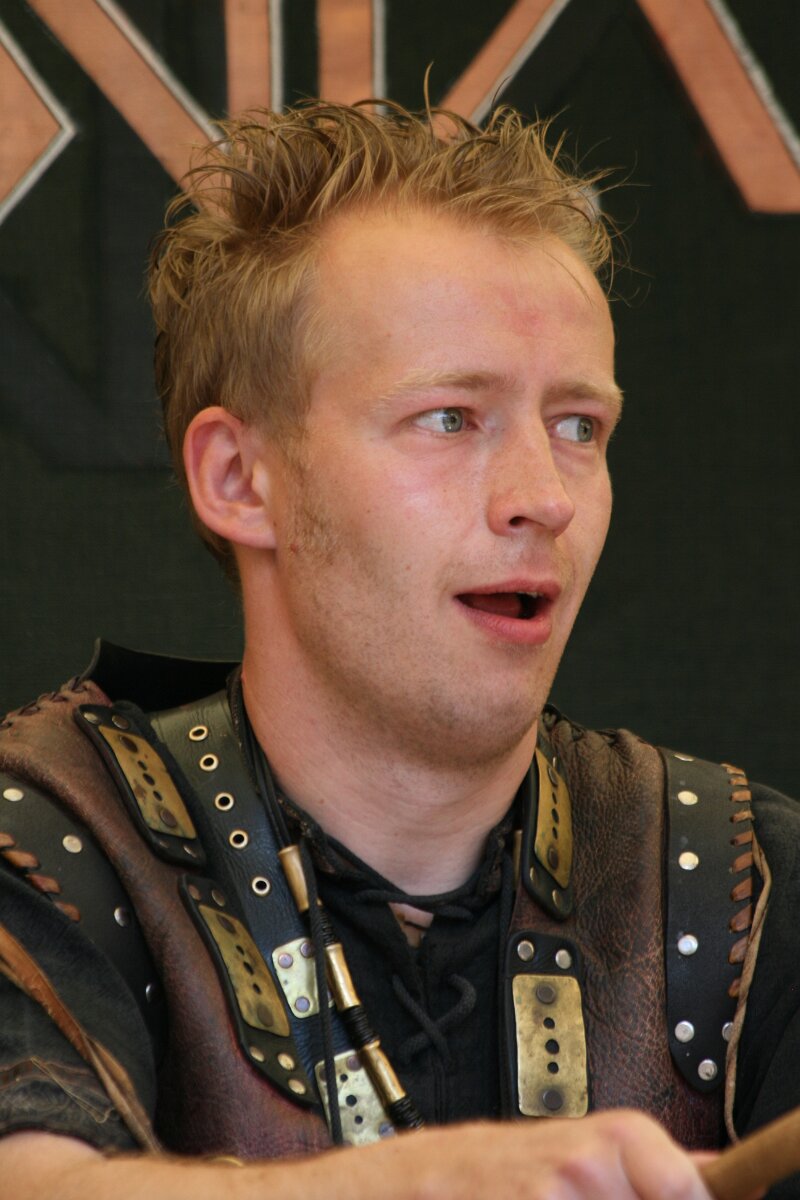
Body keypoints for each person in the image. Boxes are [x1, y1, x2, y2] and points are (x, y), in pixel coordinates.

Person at [0, 98, 796, 1200]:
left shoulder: (745, 881)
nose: (543, 498)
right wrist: (418, 1185)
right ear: (239, 479)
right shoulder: (52, 839)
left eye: (577, 426)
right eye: (450, 418)